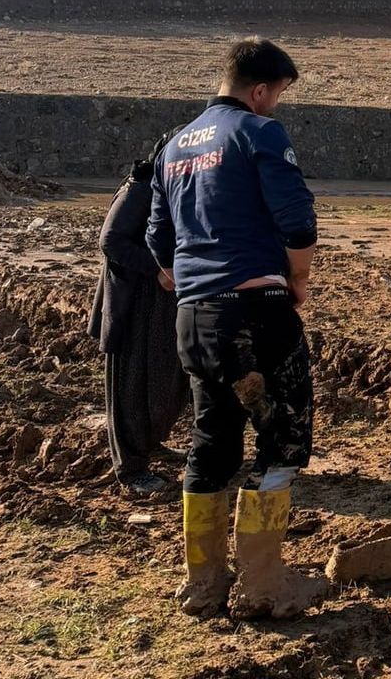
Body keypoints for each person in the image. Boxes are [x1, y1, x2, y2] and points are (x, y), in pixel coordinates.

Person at [146, 37, 323, 619]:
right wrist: (298, 281)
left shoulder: (173, 146)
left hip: (195, 320)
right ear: (260, 89)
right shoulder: (259, 133)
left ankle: (204, 582)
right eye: (277, 96)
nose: (276, 106)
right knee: (281, 442)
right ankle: (264, 584)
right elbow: (296, 219)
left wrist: (181, 275)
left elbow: (158, 240)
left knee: (211, 441)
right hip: (256, 314)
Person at [87, 132, 190, 495]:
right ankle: (130, 468)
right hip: (134, 304)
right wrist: (159, 269)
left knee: (164, 381)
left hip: (162, 304)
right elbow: (111, 240)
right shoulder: (142, 187)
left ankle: (151, 443)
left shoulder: (175, 188)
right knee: (131, 387)